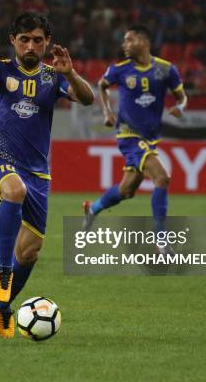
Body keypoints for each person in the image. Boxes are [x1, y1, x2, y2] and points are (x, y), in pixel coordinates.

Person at [0, 12, 94, 338]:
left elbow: (88, 99)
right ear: (13, 41)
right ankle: (2, 270)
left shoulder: (54, 76)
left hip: (38, 174)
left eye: (37, 39)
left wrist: (71, 73)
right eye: (24, 39)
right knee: (14, 191)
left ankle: (3, 309)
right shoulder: (0, 68)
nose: (31, 45)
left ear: (47, 42)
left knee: (30, 252)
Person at [82, 24, 187, 255]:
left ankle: (93, 209)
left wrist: (179, 107)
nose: (124, 44)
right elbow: (102, 85)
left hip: (150, 138)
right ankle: (161, 240)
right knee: (162, 177)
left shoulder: (165, 70)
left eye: (129, 40)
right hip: (129, 134)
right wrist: (107, 113)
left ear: (144, 42)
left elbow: (182, 96)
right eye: (124, 41)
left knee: (126, 190)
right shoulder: (120, 70)